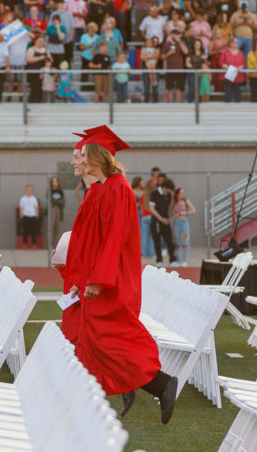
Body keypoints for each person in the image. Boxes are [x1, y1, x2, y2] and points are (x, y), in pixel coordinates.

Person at [58, 125, 177, 424]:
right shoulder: (100, 189)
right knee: (90, 335)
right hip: (95, 277)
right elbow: (89, 239)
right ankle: (108, 392)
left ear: (96, 156)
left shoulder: (117, 187)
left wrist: (98, 279)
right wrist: (73, 269)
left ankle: (158, 383)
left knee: (107, 335)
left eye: (81, 154)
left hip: (111, 279)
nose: (77, 161)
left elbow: (114, 238)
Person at [148, 173, 176, 266]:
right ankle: (159, 260)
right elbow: (151, 208)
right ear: (164, 186)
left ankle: (172, 259)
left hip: (166, 220)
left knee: (169, 240)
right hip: (156, 221)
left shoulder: (168, 194)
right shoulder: (154, 193)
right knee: (157, 240)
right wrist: (160, 218)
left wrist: (170, 218)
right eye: (167, 189)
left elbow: (169, 208)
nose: (167, 191)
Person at [171, 186, 195, 267]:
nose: (183, 194)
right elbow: (170, 211)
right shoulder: (174, 202)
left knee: (185, 241)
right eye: (181, 193)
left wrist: (184, 213)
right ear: (177, 194)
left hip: (184, 221)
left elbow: (193, 210)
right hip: (176, 222)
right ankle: (178, 260)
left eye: (183, 192)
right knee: (176, 241)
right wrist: (174, 215)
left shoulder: (186, 201)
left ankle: (184, 260)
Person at [47, 175, 65, 249]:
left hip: (58, 209)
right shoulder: (49, 190)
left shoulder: (60, 191)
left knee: (57, 229)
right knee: (51, 228)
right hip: (52, 209)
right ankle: (50, 245)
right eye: (53, 181)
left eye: (56, 181)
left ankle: (56, 246)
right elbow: (50, 199)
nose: (55, 182)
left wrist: (55, 202)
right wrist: (56, 201)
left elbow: (62, 201)